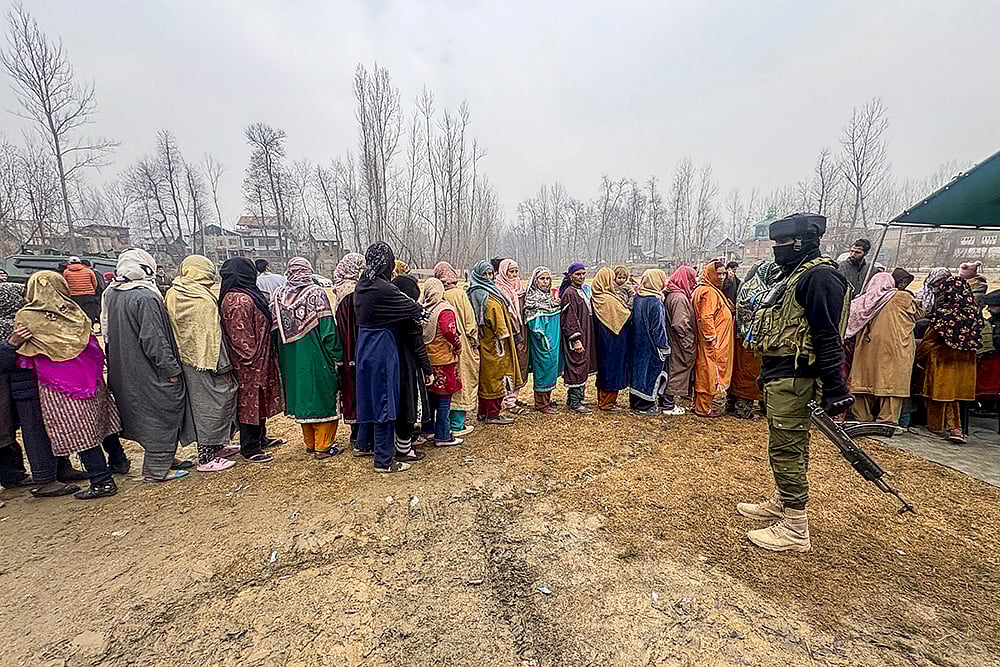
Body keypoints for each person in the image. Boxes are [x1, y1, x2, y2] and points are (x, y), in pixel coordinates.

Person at [739, 213, 851, 553]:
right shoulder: (795, 277)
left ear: (802, 243)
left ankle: (795, 527)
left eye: (782, 245)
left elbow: (827, 336)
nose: (777, 251)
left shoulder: (820, 278)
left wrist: (837, 388)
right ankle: (783, 501)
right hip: (783, 374)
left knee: (788, 447)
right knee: (784, 445)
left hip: (799, 377)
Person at [7, 271, 128, 499]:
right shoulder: (73, 311)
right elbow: (92, 344)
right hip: (89, 379)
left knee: (78, 430)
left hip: (58, 385)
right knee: (102, 421)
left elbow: (22, 354)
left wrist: (13, 343)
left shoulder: (28, 317)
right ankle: (118, 460)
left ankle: (101, 480)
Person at [104, 249, 196, 482]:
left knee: (143, 412)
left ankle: (166, 457)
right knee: (160, 411)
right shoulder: (144, 297)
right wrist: (170, 369)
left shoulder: (113, 293)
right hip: (148, 369)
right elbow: (154, 338)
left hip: (125, 367)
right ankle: (156, 469)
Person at [0, 282, 95, 496]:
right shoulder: (19, 323)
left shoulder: (34, 317)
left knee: (53, 428)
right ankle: (45, 480)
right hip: (23, 387)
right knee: (36, 433)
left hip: (42, 383)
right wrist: (12, 344)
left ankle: (62, 468)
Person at [353, 242, 426, 473]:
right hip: (382, 347)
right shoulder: (383, 288)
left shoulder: (362, 284)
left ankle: (368, 445)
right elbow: (415, 309)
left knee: (371, 399)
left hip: (364, 345)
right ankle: (384, 461)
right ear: (388, 262)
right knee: (385, 400)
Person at [164, 255, 239, 473]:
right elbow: (211, 334)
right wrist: (223, 364)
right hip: (208, 360)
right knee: (212, 406)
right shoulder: (200, 297)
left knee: (209, 404)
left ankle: (217, 447)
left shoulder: (174, 293)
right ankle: (206, 458)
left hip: (187, 358)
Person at [272, 257, 344, 460]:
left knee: (303, 396)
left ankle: (310, 443)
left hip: (290, 358)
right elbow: (328, 331)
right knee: (322, 394)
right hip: (316, 355)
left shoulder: (278, 295)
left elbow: (274, 331)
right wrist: (338, 356)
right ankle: (324, 445)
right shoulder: (316, 294)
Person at [219, 257, 283, 464]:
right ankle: (249, 447)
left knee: (260, 399)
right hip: (249, 363)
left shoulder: (246, 294)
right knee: (250, 402)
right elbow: (240, 338)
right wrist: (252, 358)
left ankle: (260, 437)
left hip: (261, 358)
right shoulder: (238, 300)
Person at [916, 270, 983, 444]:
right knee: (955, 399)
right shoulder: (974, 313)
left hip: (942, 362)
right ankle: (956, 428)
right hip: (966, 367)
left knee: (939, 398)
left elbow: (930, 340)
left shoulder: (945, 313)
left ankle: (936, 428)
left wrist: (918, 357)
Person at [846, 273, 919, 424]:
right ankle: (887, 420)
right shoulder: (902, 297)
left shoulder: (862, 301)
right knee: (891, 383)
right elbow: (919, 313)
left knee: (862, 383)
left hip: (867, 348)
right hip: (896, 348)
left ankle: (863, 418)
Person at [468, 260, 522, 424]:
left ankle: (483, 412)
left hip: (488, 341)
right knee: (494, 377)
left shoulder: (483, 291)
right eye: (484, 274)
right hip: (494, 342)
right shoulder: (483, 294)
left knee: (487, 377)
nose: (488, 277)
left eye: (490, 273)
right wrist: (504, 333)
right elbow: (494, 316)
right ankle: (493, 414)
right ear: (477, 275)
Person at [731, 262, 783, 419]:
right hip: (754, 341)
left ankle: (734, 404)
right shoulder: (762, 294)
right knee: (750, 375)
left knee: (741, 373)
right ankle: (743, 410)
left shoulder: (748, 287)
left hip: (741, 337)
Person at [435, 261, 479, 435]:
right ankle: (457, 424)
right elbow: (470, 323)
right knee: (464, 380)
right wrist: (474, 342)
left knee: (446, 385)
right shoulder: (460, 294)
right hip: (462, 345)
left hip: (441, 348)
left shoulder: (436, 294)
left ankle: (442, 424)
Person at [420, 277, 464, 446]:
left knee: (430, 396)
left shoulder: (424, 309)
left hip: (428, 360)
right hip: (444, 360)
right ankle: (443, 435)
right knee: (445, 397)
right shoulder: (444, 310)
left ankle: (428, 429)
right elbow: (449, 331)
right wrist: (457, 345)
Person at [391, 273, 432, 460]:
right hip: (408, 366)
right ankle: (405, 449)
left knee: (397, 405)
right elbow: (418, 346)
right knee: (409, 405)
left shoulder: (388, 311)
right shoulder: (409, 316)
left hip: (392, 362)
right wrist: (427, 370)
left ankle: (399, 445)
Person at [692, 259, 734, 418]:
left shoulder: (708, 289)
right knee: (708, 372)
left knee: (706, 370)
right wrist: (711, 337)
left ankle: (702, 405)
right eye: (718, 273)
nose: (722, 277)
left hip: (713, 341)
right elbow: (706, 316)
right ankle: (703, 408)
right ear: (710, 273)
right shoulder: (709, 292)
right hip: (713, 343)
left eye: (724, 273)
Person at [333, 253, 366, 449]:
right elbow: (354, 326)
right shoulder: (352, 293)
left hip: (346, 348)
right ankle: (359, 435)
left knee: (352, 390)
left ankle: (357, 433)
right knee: (357, 390)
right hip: (354, 349)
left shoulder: (341, 289)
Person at [591, 266, 632, 412]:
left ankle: (603, 399)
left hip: (602, 340)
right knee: (612, 369)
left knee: (604, 369)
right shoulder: (608, 299)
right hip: (613, 340)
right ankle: (607, 402)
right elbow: (625, 315)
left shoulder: (595, 297)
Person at [629, 269, 669, 415]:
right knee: (650, 373)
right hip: (651, 344)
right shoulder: (655, 301)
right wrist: (664, 347)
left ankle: (635, 403)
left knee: (638, 373)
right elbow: (658, 328)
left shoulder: (638, 297)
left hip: (637, 342)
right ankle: (644, 406)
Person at [523, 267, 561, 414]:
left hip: (554, 339)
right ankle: (541, 403)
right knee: (543, 369)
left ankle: (547, 398)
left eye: (547, 279)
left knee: (552, 368)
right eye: (542, 279)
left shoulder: (551, 298)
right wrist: (543, 338)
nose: (545, 282)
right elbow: (532, 322)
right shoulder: (532, 298)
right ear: (535, 280)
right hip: (543, 342)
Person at [560, 262, 596, 414]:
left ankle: (577, 398)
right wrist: (576, 339)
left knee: (583, 364)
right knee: (577, 365)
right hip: (576, 337)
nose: (581, 277)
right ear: (570, 276)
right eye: (577, 274)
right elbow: (570, 318)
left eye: (583, 274)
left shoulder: (580, 290)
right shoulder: (569, 293)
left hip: (586, 332)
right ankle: (575, 401)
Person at [662, 266, 697, 415]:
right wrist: (688, 341)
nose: (693, 282)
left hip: (674, 340)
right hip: (679, 342)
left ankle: (666, 401)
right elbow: (679, 323)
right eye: (691, 279)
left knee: (673, 370)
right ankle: (668, 405)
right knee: (677, 370)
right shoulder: (679, 298)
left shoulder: (673, 294)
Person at [496, 259, 529, 412]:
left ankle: (514, 397)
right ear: (504, 272)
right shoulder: (500, 289)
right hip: (509, 333)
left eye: (516, 271)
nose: (514, 275)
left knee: (521, 364)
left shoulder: (519, 288)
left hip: (522, 330)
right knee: (510, 365)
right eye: (511, 271)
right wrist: (516, 335)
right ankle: (507, 400)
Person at [63, 256, 100, 323]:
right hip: (89, 295)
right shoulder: (88, 271)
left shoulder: (66, 272)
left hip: (74, 296)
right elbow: (94, 283)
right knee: (89, 313)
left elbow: (65, 285)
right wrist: (91, 290)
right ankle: (90, 328)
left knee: (77, 314)